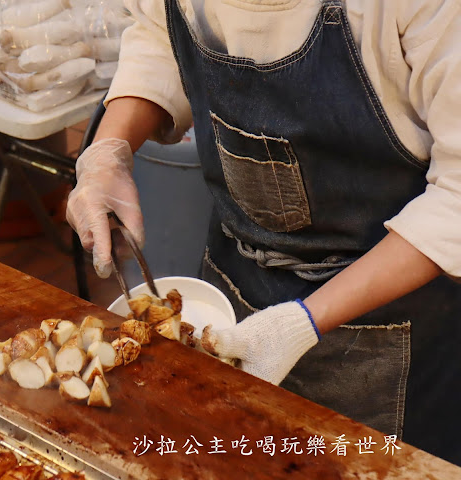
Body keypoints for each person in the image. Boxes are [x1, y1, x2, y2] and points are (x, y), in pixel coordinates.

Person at [66, 0, 461, 465]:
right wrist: (108, 150)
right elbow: (160, 32)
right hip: (232, 285)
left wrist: (300, 323)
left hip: (385, 323)